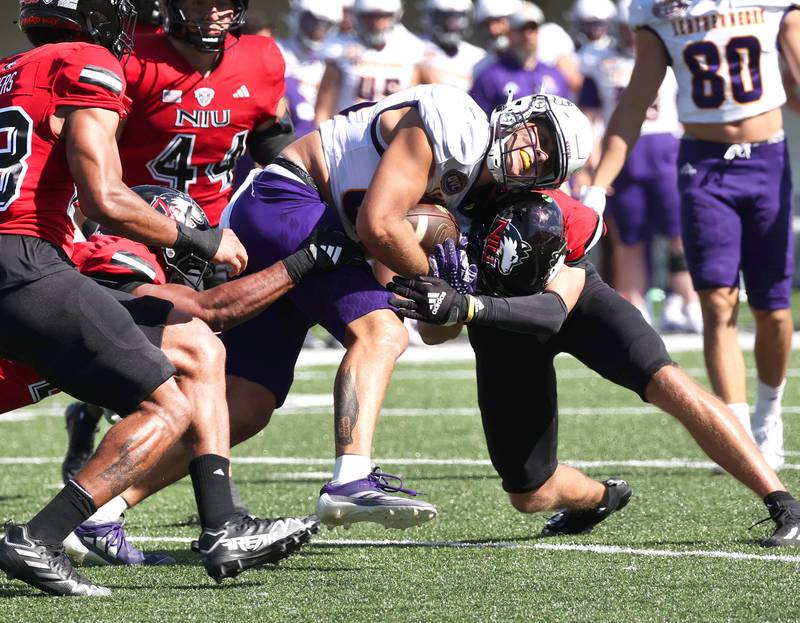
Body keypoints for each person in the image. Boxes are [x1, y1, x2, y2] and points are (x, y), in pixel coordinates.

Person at [0, 0, 313, 597]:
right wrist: (199, 238)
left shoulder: (9, 70)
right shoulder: (88, 61)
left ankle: (224, 525)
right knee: (166, 407)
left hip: (32, 264)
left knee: (197, 352)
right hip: (25, 259)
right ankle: (41, 537)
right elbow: (105, 198)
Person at [219, 84, 593, 528]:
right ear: (519, 113)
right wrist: (434, 274)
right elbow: (377, 225)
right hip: (290, 198)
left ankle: (113, 501)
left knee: (245, 405)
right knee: (381, 333)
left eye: (551, 160)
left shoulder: (476, 211)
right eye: (541, 136)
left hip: (320, 231)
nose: (537, 155)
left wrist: (453, 298)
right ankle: (350, 480)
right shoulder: (459, 124)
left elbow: (436, 332)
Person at [387, 189, 800, 548]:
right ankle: (601, 497)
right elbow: (434, 334)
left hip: (573, 300)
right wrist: (448, 299)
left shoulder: (562, 212)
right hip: (500, 329)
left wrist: (470, 304)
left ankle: (783, 502)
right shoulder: (443, 210)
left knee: (667, 380)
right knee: (529, 493)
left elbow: (551, 313)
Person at [0, 185, 363, 566]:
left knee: (185, 376)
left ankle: (207, 521)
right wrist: (308, 259)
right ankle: (220, 523)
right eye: (192, 257)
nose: (196, 270)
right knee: (196, 350)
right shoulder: (113, 255)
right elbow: (212, 309)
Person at [583, 1, 798, 470]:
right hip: (703, 164)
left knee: (773, 311)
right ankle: (738, 429)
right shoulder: (657, 10)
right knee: (717, 300)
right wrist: (599, 184)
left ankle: (769, 408)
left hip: (768, 160)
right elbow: (635, 102)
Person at [578, 0, 701, 333]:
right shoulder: (600, 63)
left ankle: (688, 301)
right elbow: (592, 119)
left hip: (666, 149)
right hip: (625, 155)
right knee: (628, 238)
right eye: (626, 30)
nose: (631, 37)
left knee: (679, 233)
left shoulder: (669, 50)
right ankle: (636, 304)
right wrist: (592, 166)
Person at [118, 0, 293, 228]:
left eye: (222, 3)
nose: (212, 14)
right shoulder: (131, 59)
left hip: (219, 230)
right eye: (199, 3)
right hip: (136, 224)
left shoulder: (260, 61)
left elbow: (279, 152)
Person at [313, 0, 426, 125]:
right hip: (348, 132)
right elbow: (323, 108)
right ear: (357, 17)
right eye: (369, 17)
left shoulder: (410, 49)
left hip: (390, 134)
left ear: (394, 16)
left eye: (383, 17)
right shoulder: (340, 49)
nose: (376, 24)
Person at [470, 5, 572, 118]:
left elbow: (567, 119)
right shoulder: (490, 77)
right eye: (521, 29)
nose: (528, 35)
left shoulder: (555, 75)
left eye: (532, 29)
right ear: (509, 33)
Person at [279, 0, 343, 139]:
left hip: (317, 136)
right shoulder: (277, 51)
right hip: (282, 134)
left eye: (324, 24)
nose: (317, 29)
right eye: (311, 21)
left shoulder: (334, 61)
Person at [416, 0, 485, 92]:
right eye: (444, 16)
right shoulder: (414, 47)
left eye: (457, 16)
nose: (451, 25)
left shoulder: (478, 57)